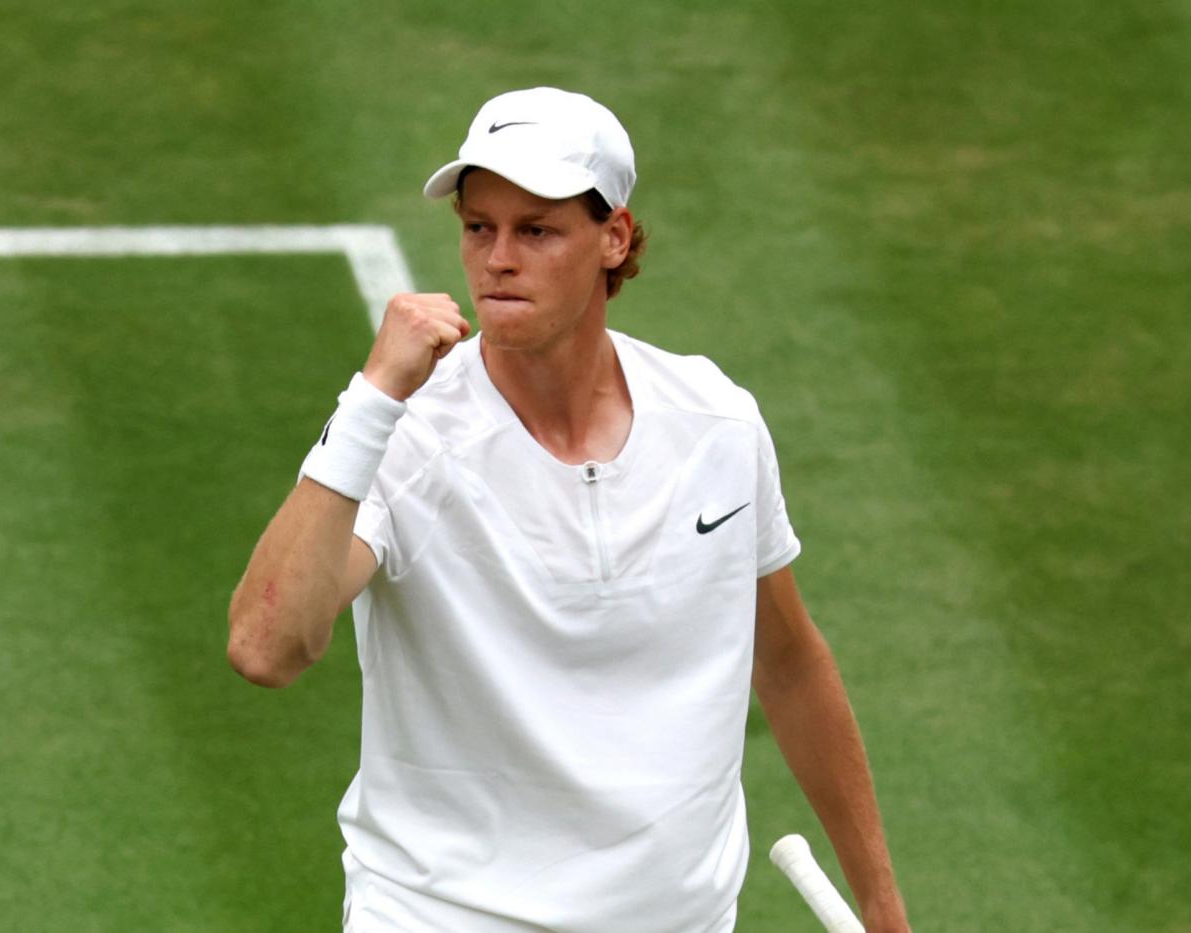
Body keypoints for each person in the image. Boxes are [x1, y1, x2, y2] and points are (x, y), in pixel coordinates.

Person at [228, 87, 909, 932]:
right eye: (479, 228)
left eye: (536, 230)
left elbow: (791, 662)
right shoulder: (406, 436)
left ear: (613, 239)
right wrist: (372, 399)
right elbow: (266, 646)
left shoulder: (717, 423)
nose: (496, 259)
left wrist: (881, 904)